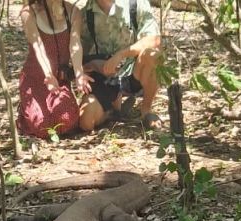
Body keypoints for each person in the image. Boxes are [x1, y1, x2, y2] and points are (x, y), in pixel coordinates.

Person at [78, 0, 162, 131]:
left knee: (152, 55)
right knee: (86, 122)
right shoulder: (85, 13)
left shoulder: (136, 4)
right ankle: (113, 111)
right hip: (104, 79)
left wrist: (122, 55)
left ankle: (146, 111)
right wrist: (93, 65)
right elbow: (79, 55)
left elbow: (154, 40)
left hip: (133, 72)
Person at [18, 0, 92, 140]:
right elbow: (37, 46)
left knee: (67, 121)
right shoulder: (29, 13)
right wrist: (48, 75)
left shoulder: (73, 12)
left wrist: (79, 73)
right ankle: (24, 112)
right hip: (35, 78)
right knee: (41, 126)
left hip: (59, 80)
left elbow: (74, 44)